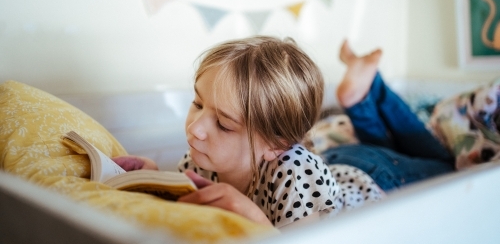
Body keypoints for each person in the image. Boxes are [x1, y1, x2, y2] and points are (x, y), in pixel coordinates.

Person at [113, 36, 383, 230]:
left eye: (223, 124)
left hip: (373, 178)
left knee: (416, 154)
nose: (195, 128)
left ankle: (366, 88)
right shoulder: (201, 158)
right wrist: (152, 178)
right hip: (331, 161)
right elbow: (186, 205)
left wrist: (255, 220)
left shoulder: (295, 172)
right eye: (197, 104)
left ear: (276, 143)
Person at [320, 40, 456, 192]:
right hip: (338, 161)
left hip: (351, 166)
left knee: (438, 165)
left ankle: (367, 86)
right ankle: (363, 93)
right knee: (448, 168)